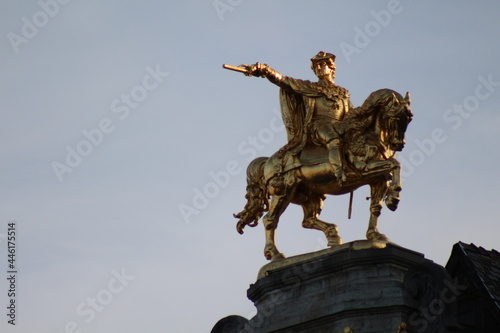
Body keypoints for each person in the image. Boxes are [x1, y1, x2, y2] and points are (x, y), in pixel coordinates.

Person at [242, 51, 352, 184]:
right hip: (320, 126)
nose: (318, 68)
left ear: (331, 67)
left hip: (340, 127)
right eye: (315, 66)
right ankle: (340, 173)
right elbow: (283, 80)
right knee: (334, 140)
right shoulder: (310, 87)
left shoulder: (342, 92)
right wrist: (264, 70)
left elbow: (351, 113)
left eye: (322, 64)